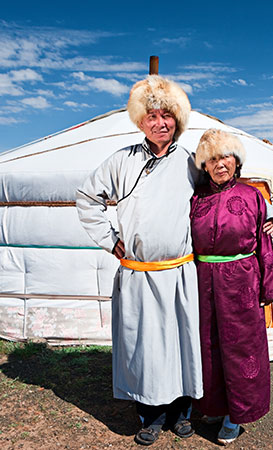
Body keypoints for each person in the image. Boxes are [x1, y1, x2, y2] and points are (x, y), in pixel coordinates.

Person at [76, 75, 201, 446]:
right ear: (140, 120)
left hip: (180, 271)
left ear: (178, 120)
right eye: (152, 116)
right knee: (145, 347)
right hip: (140, 274)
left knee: (182, 343)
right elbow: (87, 197)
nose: (160, 123)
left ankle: (182, 412)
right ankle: (150, 416)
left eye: (167, 116)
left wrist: (267, 214)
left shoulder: (193, 162)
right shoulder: (121, 161)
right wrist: (110, 241)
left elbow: (230, 185)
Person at [190, 129, 273, 445]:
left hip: (242, 280)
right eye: (212, 158)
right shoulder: (195, 198)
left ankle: (236, 415)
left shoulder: (253, 196)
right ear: (204, 165)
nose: (220, 164)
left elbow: (265, 245)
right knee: (209, 347)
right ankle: (213, 407)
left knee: (241, 350)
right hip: (203, 282)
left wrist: (268, 290)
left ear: (236, 161)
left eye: (225, 156)